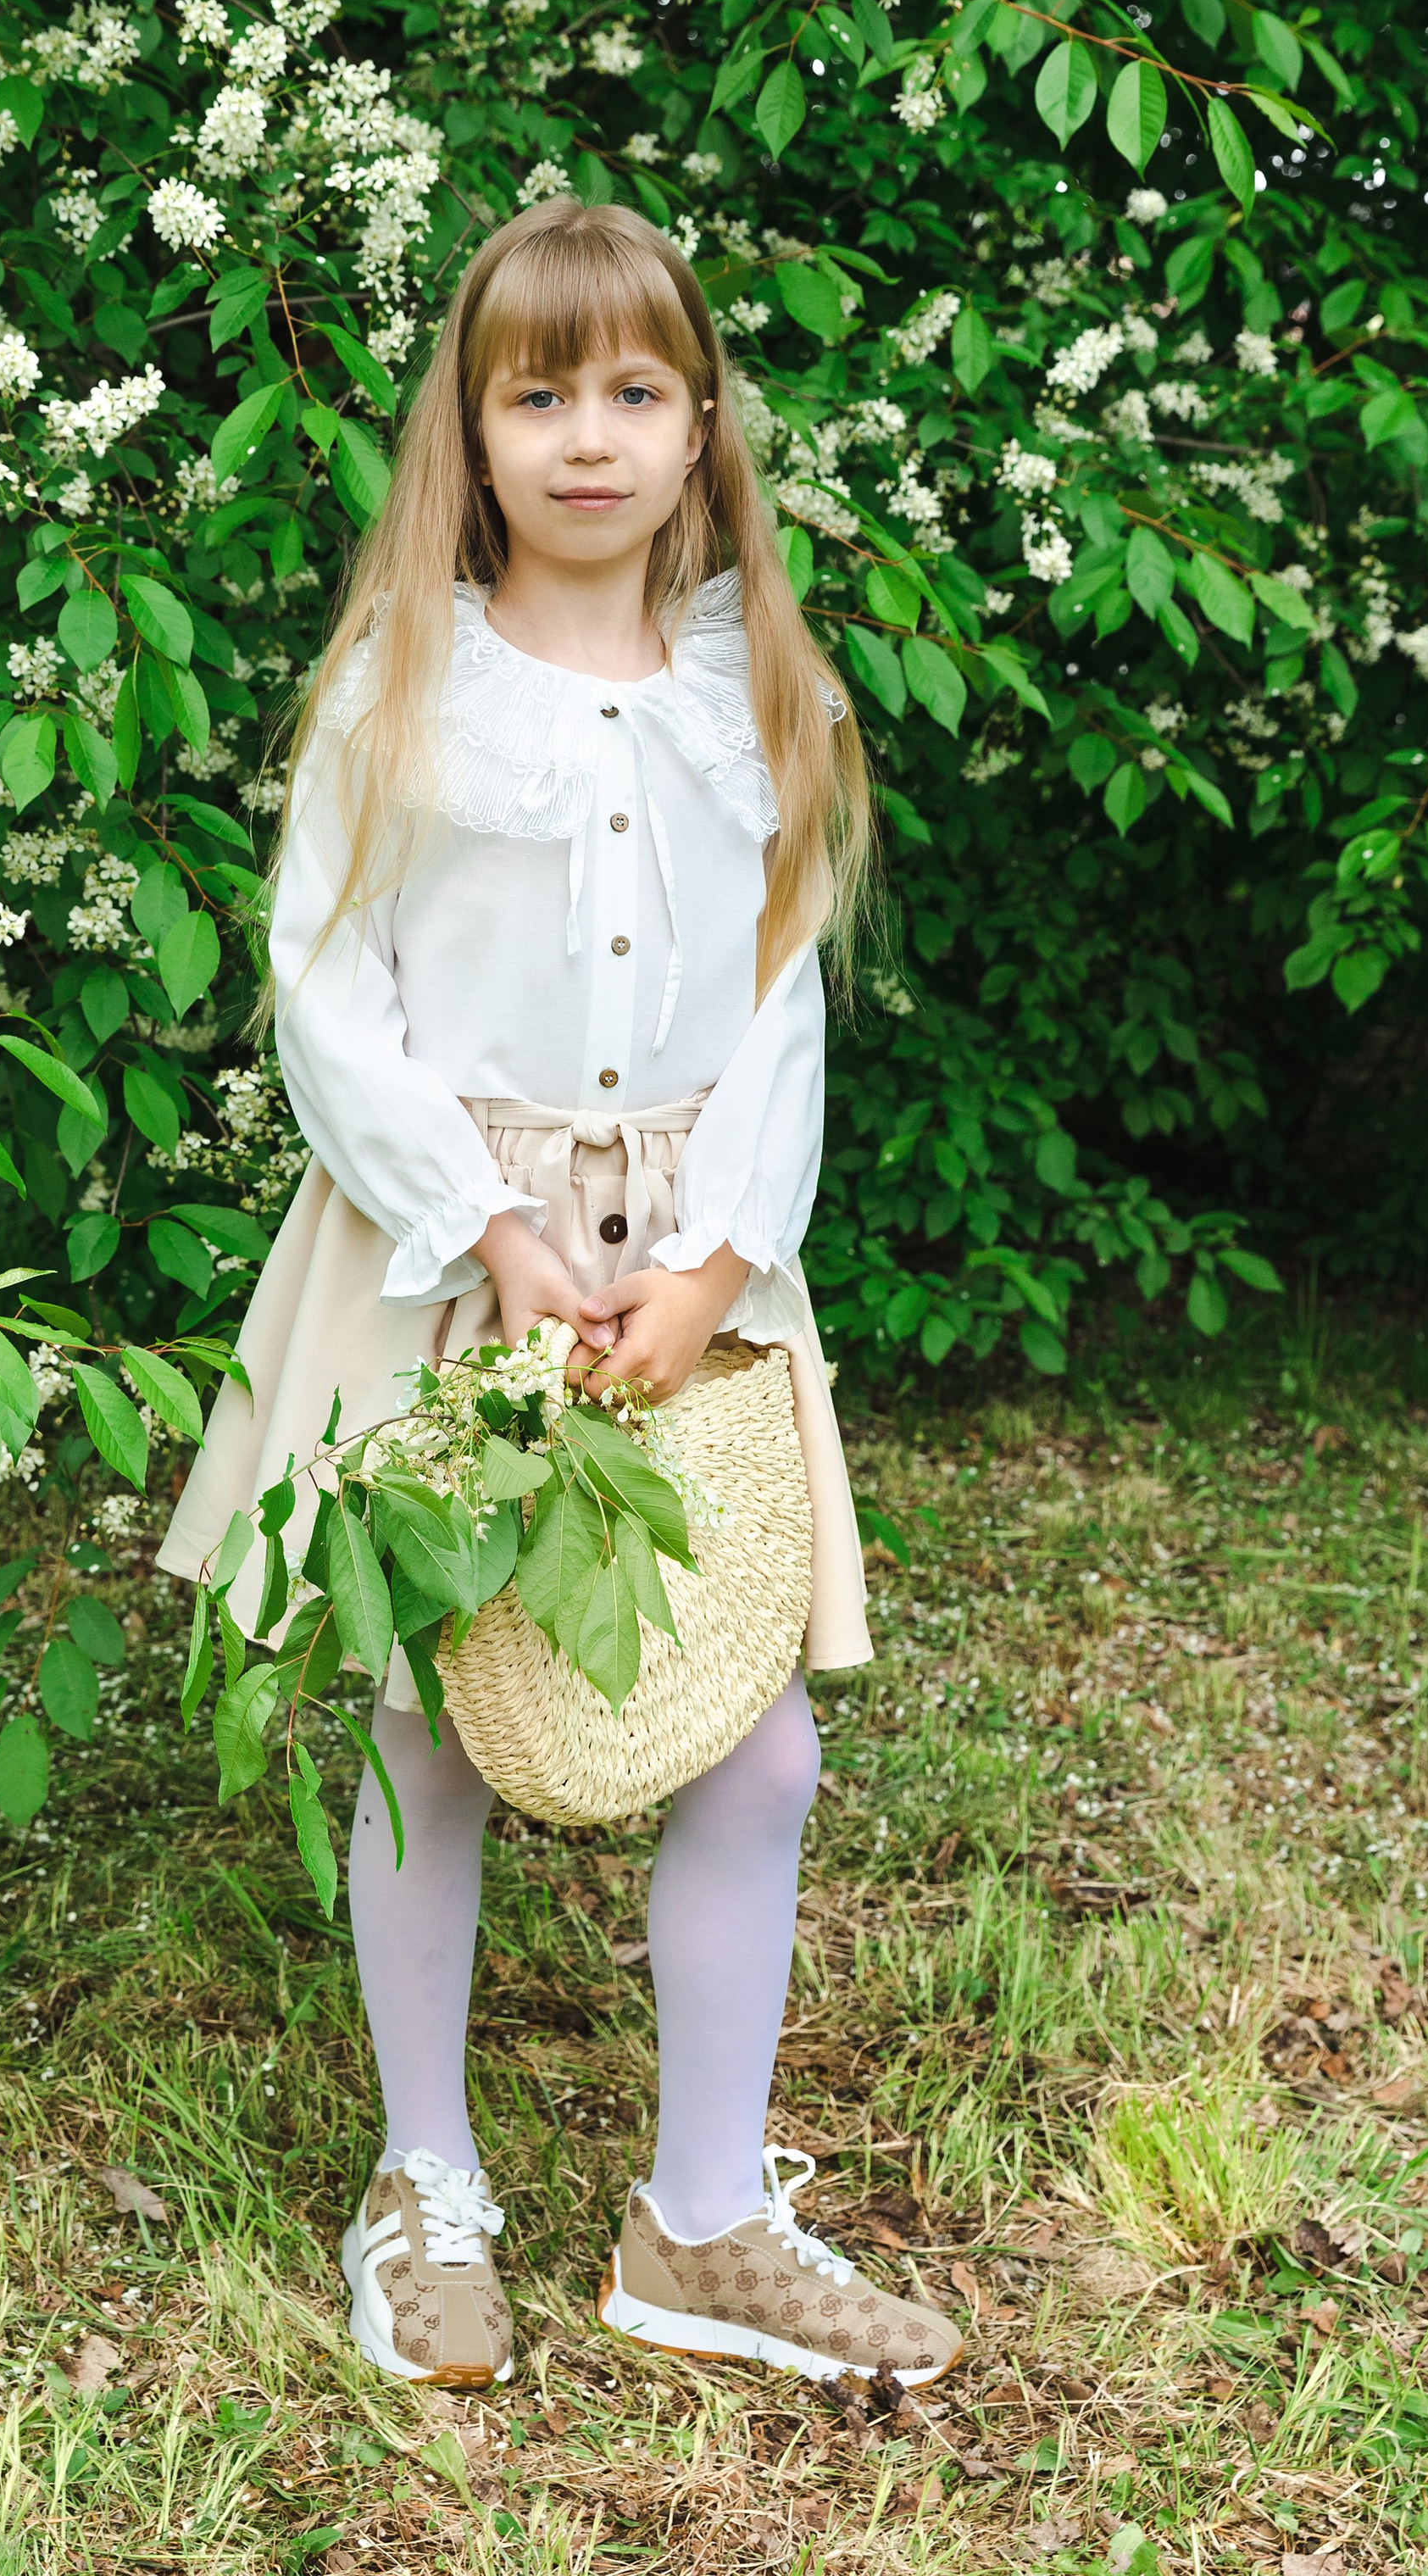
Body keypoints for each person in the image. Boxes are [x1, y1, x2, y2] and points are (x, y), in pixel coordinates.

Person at [158, 198, 964, 2395]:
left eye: (632, 392)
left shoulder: (759, 691)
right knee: (437, 1711)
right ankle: (427, 2185)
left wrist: (714, 1264)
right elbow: (331, 987)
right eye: (540, 395)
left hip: (700, 1261)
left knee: (755, 1738)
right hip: (460, 1254)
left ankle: (699, 2218)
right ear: (477, 431)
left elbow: (783, 998)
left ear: (701, 427)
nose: (588, 437)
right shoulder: (405, 689)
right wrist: (494, 1241)